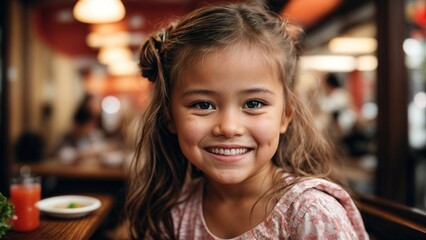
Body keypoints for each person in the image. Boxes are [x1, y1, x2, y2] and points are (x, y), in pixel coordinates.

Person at [125, 2, 369, 239]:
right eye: (203, 104)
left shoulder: (310, 214)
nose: (229, 128)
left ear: (285, 116)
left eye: (253, 104)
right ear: (170, 116)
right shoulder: (174, 213)